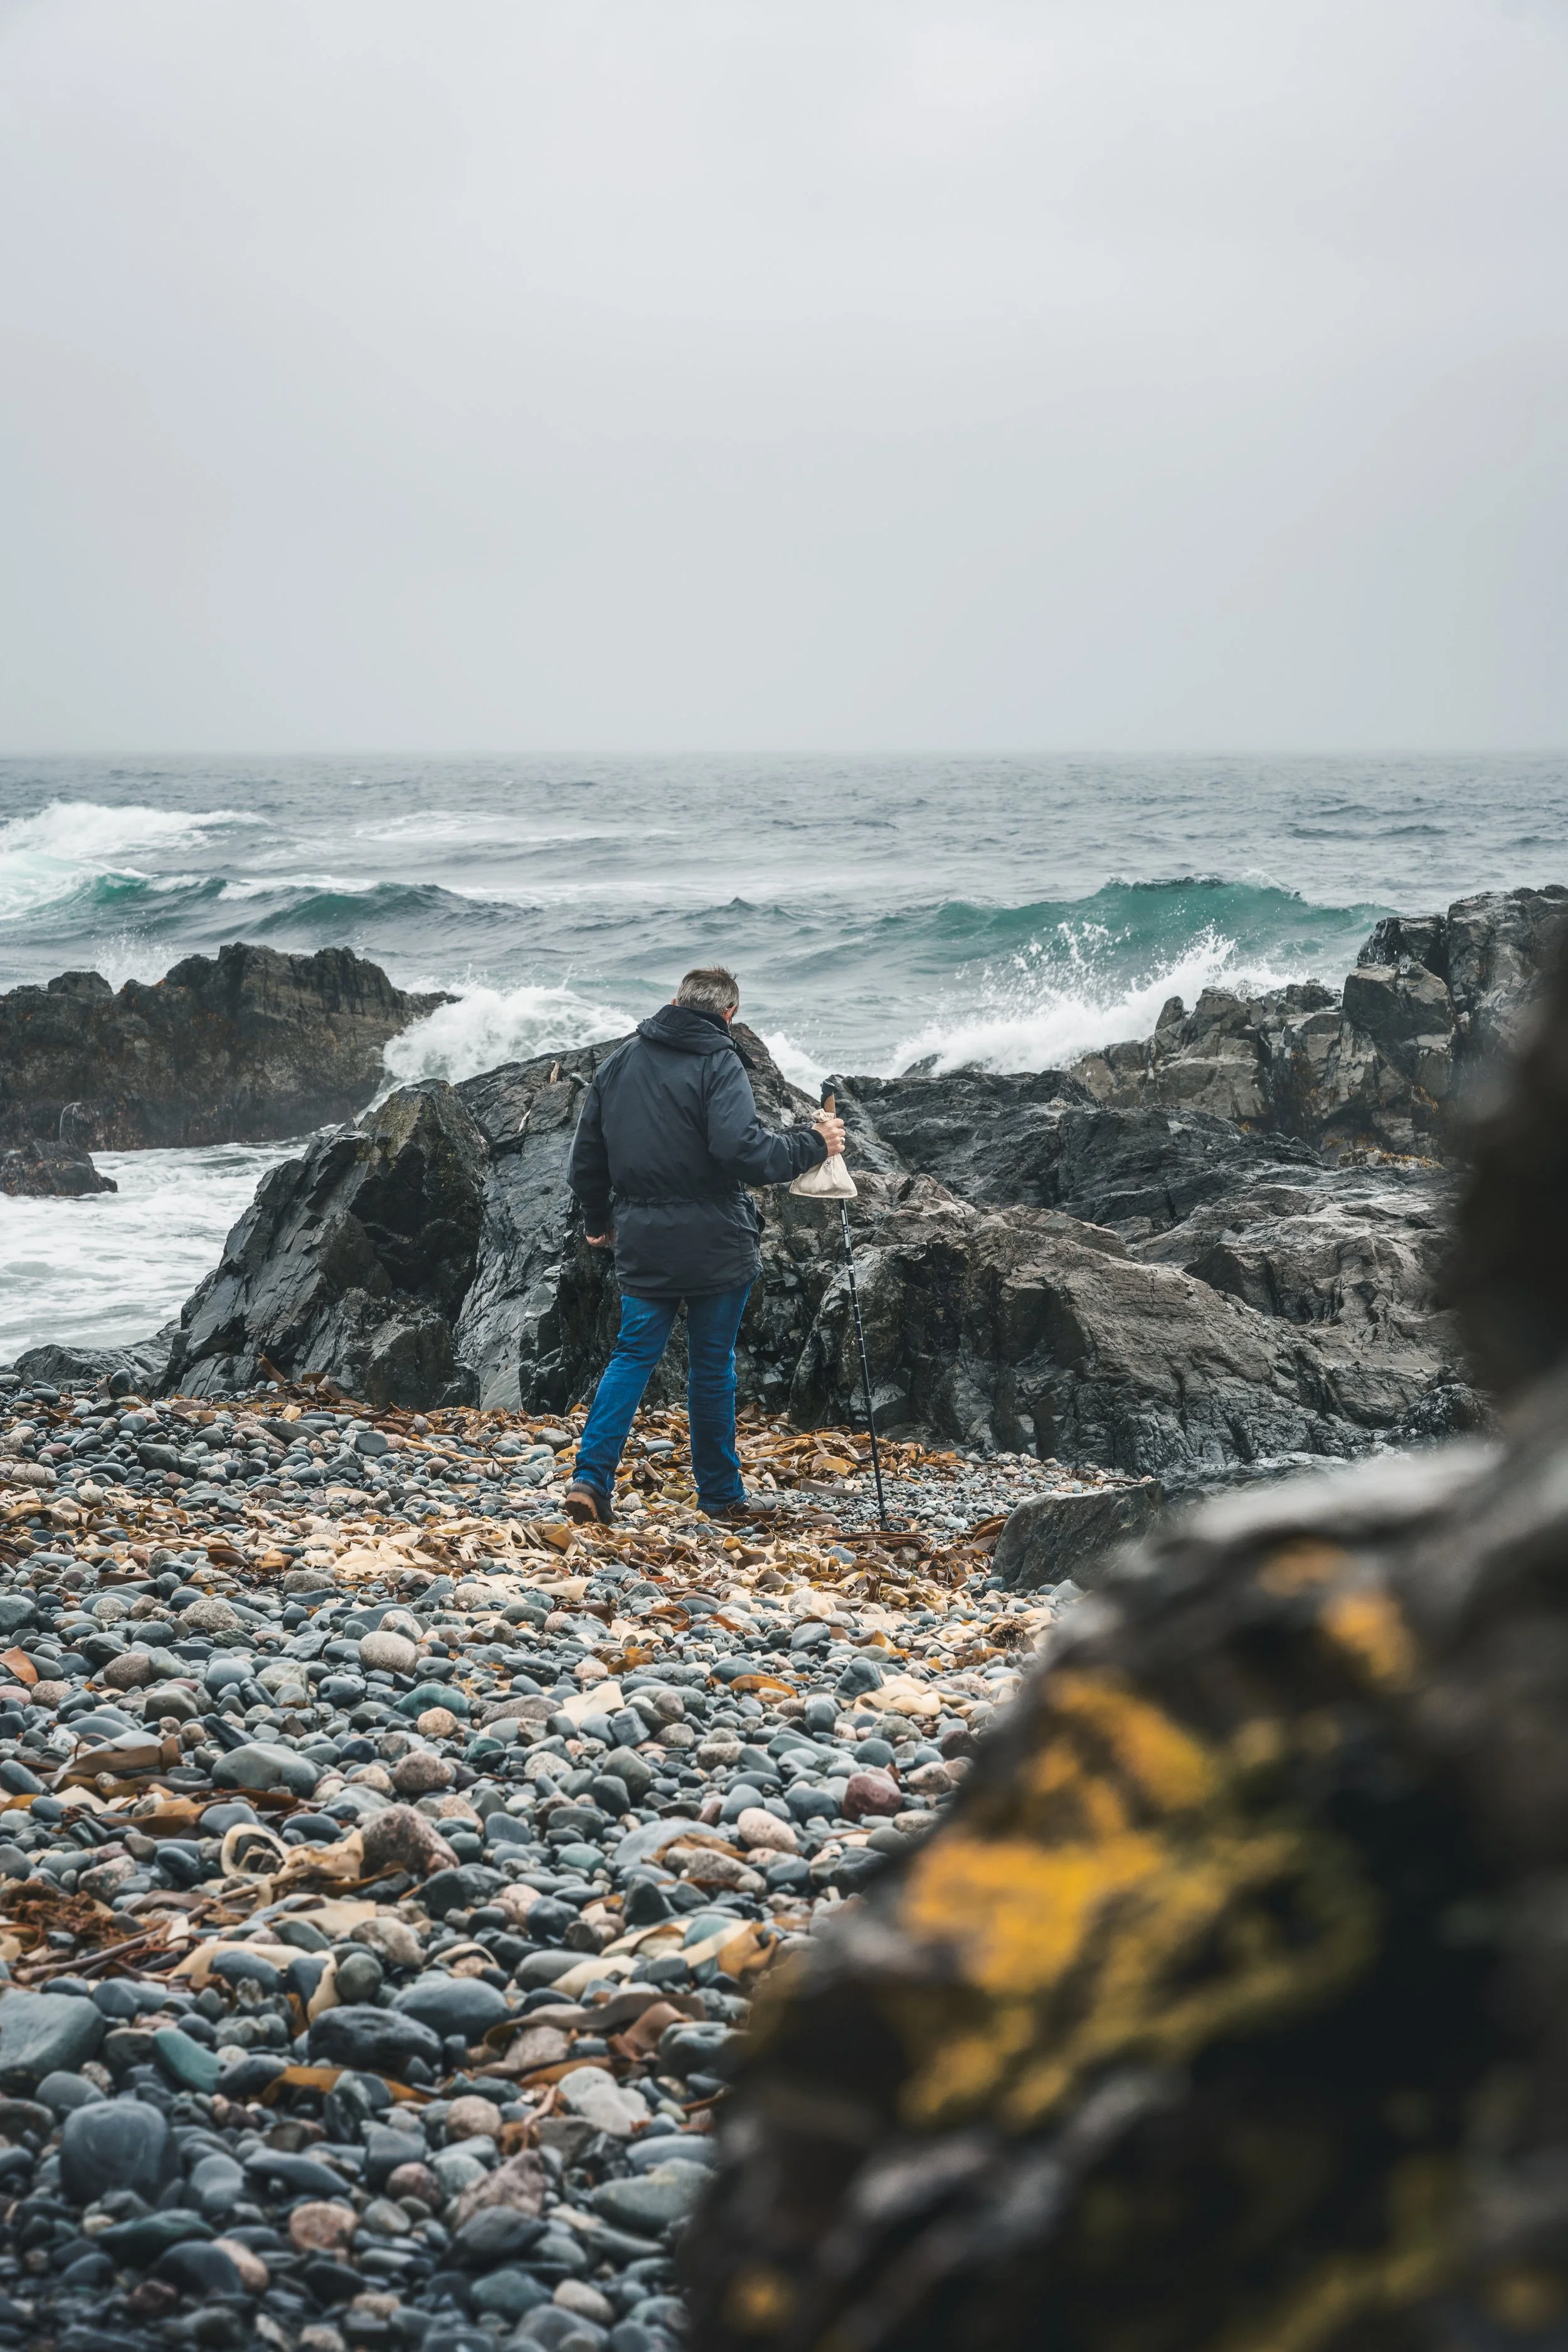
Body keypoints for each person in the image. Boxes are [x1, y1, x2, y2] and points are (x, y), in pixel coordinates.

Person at [563, 965, 844, 1524]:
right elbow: (740, 1151)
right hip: (717, 1236)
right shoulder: (720, 1062)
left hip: (643, 1236)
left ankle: (590, 1481)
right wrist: (814, 1142)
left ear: (674, 1000)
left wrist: (600, 1220)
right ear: (730, 1015)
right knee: (712, 1368)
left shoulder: (621, 1061)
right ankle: (719, 1495)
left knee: (633, 1355)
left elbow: (586, 1160)